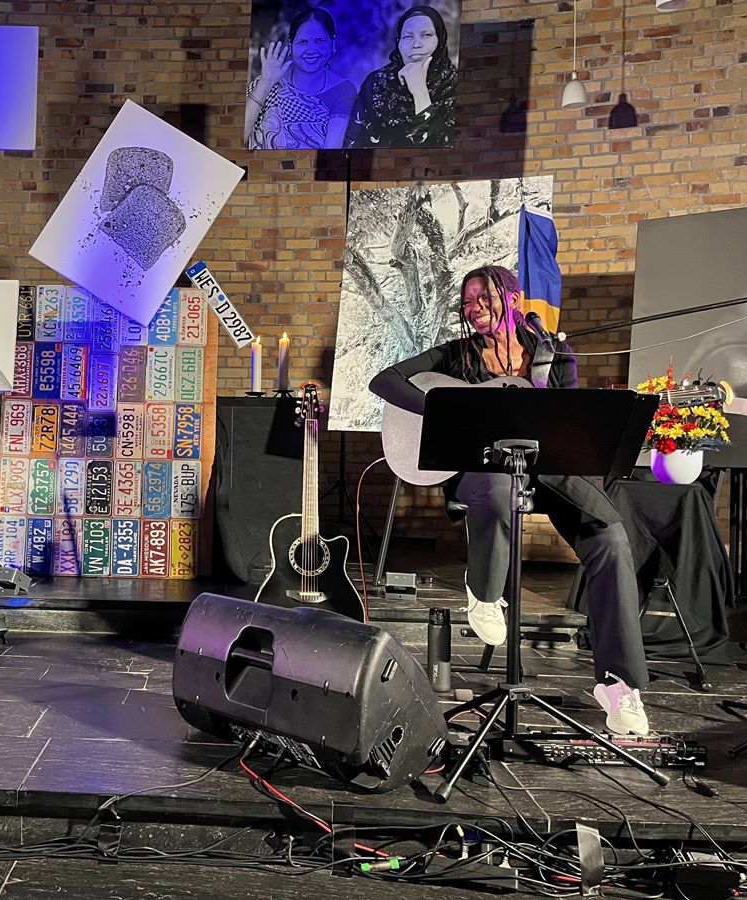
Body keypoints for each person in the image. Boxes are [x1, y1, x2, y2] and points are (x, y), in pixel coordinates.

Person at [369, 265, 651, 736]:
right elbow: (385, 381)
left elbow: (566, 424)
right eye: (467, 301)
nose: (473, 307)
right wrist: (448, 411)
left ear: (514, 300)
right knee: (499, 487)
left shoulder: (553, 354)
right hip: (480, 469)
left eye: (484, 298)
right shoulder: (457, 356)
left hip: (545, 467)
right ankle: (484, 589)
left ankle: (619, 684)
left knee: (611, 537)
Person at [344, 4, 457, 148]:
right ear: (399, 43)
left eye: (426, 35)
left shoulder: (455, 84)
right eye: (408, 36)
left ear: (440, 40)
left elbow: (443, 151)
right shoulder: (376, 83)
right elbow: (352, 146)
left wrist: (420, 91)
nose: (416, 44)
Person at [245, 7, 357, 150]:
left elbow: (331, 150)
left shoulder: (343, 90)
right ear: (291, 46)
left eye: (319, 40)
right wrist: (266, 83)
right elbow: (240, 137)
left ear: (332, 43)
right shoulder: (267, 81)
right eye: (303, 42)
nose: (311, 50)